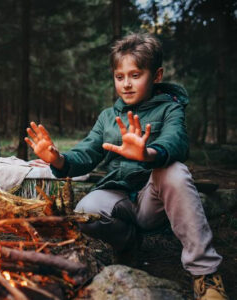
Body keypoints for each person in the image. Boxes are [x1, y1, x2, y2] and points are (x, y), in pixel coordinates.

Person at [25, 33, 228, 300]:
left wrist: (148, 153)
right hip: (120, 194)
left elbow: (176, 141)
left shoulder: (171, 109)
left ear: (156, 76)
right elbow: (87, 151)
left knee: (175, 170)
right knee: (86, 210)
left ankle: (206, 274)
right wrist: (58, 159)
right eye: (119, 77)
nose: (126, 84)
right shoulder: (108, 117)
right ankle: (127, 243)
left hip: (152, 200)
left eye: (135, 75)